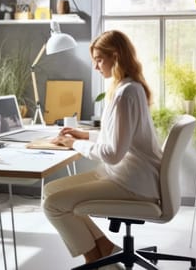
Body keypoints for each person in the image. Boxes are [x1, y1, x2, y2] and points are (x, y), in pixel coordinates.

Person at [43, 30, 163, 268]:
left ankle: (94, 262)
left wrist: (74, 143)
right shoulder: (128, 87)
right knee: (51, 190)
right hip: (128, 176)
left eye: (99, 59)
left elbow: (112, 153)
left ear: (115, 56)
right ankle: (104, 247)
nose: (96, 66)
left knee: (52, 205)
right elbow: (121, 137)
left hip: (130, 183)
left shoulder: (126, 93)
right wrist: (84, 134)